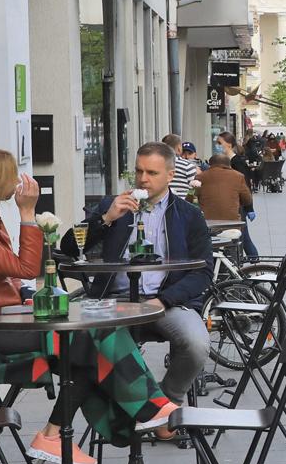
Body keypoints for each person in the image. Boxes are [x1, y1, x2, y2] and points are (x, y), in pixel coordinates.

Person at [0, 150, 176, 464]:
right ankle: (146, 408)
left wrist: (29, 295)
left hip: (9, 316)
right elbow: (26, 266)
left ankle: (56, 431)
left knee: (96, 334)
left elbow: (13, 278)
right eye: (10, 175)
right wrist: (29, 215)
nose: (19, 181)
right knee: (87, 340)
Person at [82, 142, 215, 405]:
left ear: (170, 175)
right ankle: (140, 409)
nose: (143, 179)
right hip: (116, 301)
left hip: (166, 302)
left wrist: (164, 300)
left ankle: (167, 403)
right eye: (139, 171)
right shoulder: (114, 206)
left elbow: (203, 272)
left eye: (152, 173)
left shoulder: (188, 214)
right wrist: (106, 218)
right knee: (88, 341)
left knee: (196, 344)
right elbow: (68, 246)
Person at [196, 153, 256, 257]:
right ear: (229, 165)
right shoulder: (238, 176)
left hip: (208, 224)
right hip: (232, 224)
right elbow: (247, 200)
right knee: (233, 252)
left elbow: (191, 198)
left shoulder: (200, 177)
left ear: (210, 164)